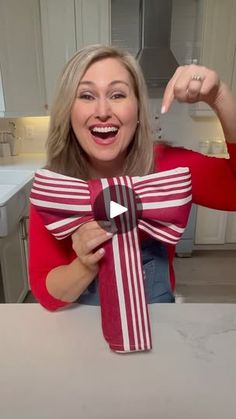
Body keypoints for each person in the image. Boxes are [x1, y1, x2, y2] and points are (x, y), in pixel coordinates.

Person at [29, 44, 236, 311]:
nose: (103, 110)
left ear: (137, 110)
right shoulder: (54, 188)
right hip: (82, 329)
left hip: (157, 326)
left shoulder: (168, 167)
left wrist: (220, 97)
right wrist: (83, 265)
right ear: (69, 113)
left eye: (117, 94)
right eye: (87, 95)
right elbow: (46, 292)